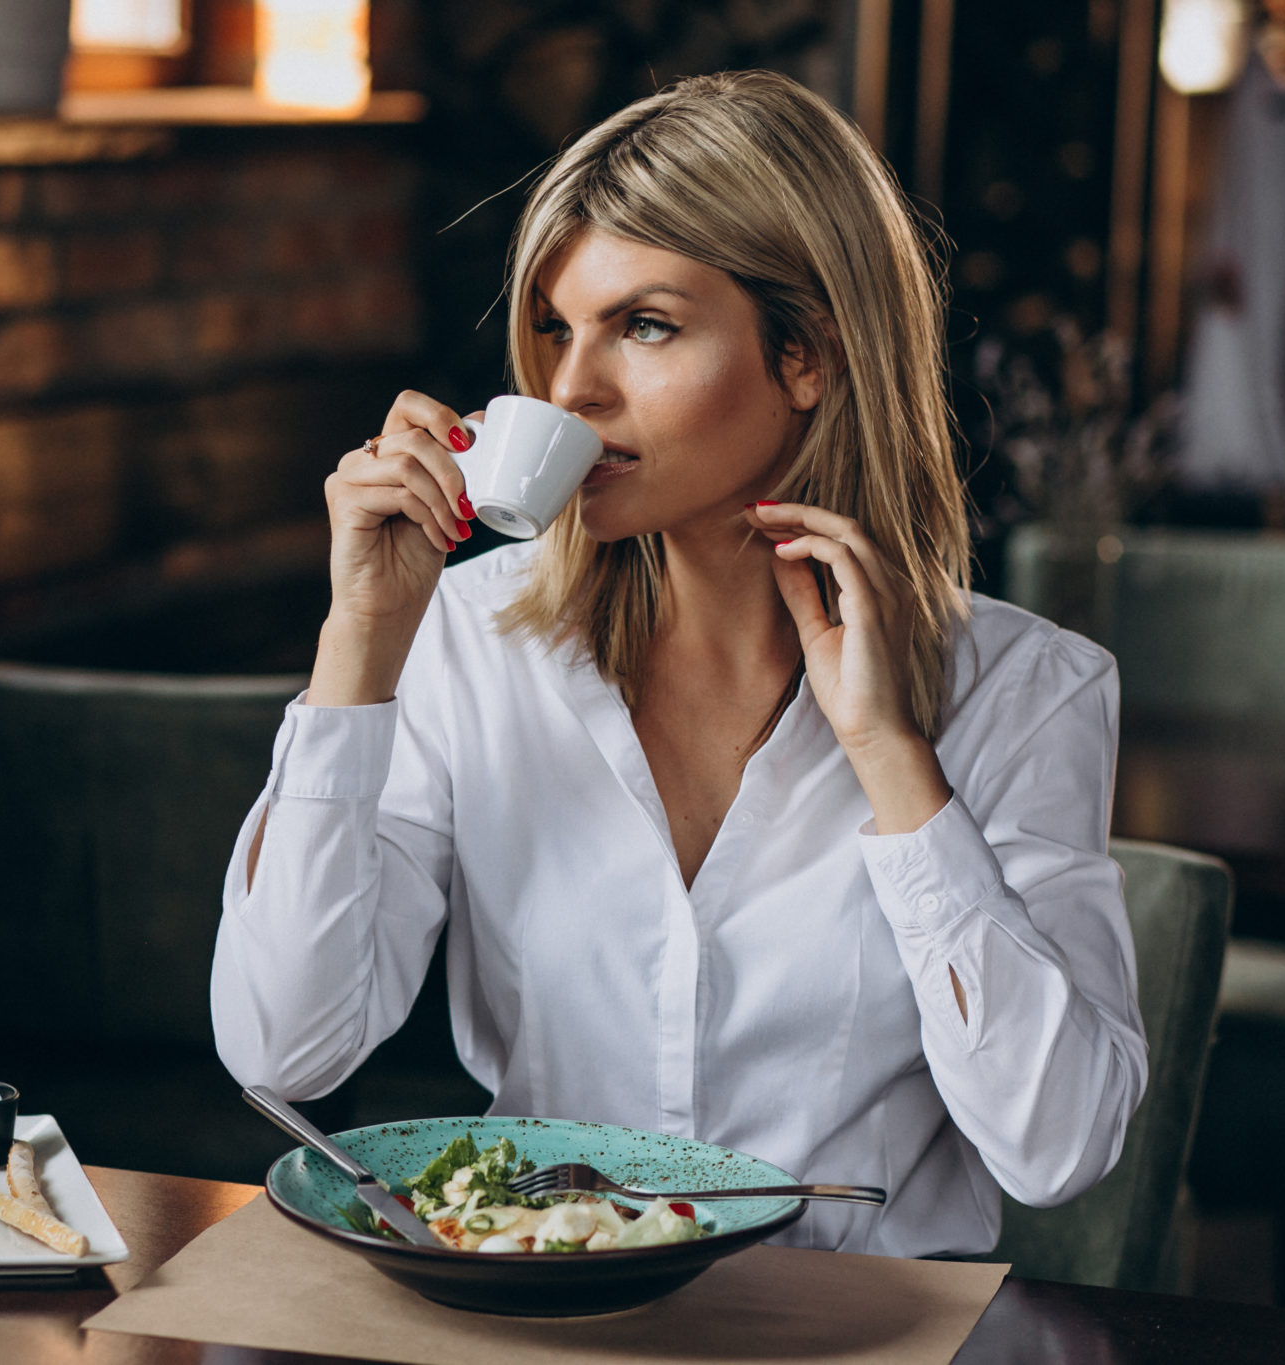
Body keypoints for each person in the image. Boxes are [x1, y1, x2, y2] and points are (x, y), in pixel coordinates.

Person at [211, 69, 1145, 1259]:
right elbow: (284, 1051)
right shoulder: (464, 637)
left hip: (850, 1339)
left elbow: (1056, 1149)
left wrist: (890, 761)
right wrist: (356, 651)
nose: (570, 390)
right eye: (557, 328)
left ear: (804, 355)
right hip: (539, 1325)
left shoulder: (1024, 691)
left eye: (642, 326)